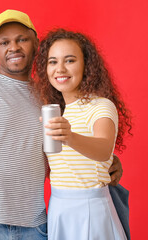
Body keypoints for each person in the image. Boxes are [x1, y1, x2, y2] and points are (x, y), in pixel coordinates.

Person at [0, 10, 123, 239]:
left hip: (37, 227)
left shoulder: (49, 97)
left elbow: (58, 155)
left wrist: (106, 161)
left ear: (36, 44)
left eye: (21, 39)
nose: (13, 47)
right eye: (4, 42)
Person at [35, 29, 132, 239]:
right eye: (52, 62)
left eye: (70, 60)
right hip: (59, 207)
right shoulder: (59, 110)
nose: (60, 68)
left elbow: (104, 149)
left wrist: (69, 136)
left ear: (86, 65)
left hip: (91, 209)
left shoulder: (101, 106)